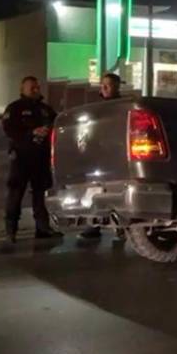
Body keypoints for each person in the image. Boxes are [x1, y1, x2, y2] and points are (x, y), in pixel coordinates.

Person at [3, 76, 62, 243]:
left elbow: (57, 125)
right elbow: (9, 130)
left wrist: (48, 131)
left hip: (41, 158)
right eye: (32, 88)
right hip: (21, 157)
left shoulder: (45, 109)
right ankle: (11, 230)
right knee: (15, 194)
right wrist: (31, 133)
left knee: (41, 194)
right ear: (22, 89)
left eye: (37, 87)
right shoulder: (15, 108)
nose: (36, 90)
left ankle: (42, 228)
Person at [79, 72, 124, 241]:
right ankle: (93, 224)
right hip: (100, 157)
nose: (104, 88)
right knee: (95, 190)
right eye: (102, 85)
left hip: (116, 156)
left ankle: (120, 228)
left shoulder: (121, 107)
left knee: (116, 190)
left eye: (108, 85)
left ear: (117, 87)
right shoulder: (96, 107)